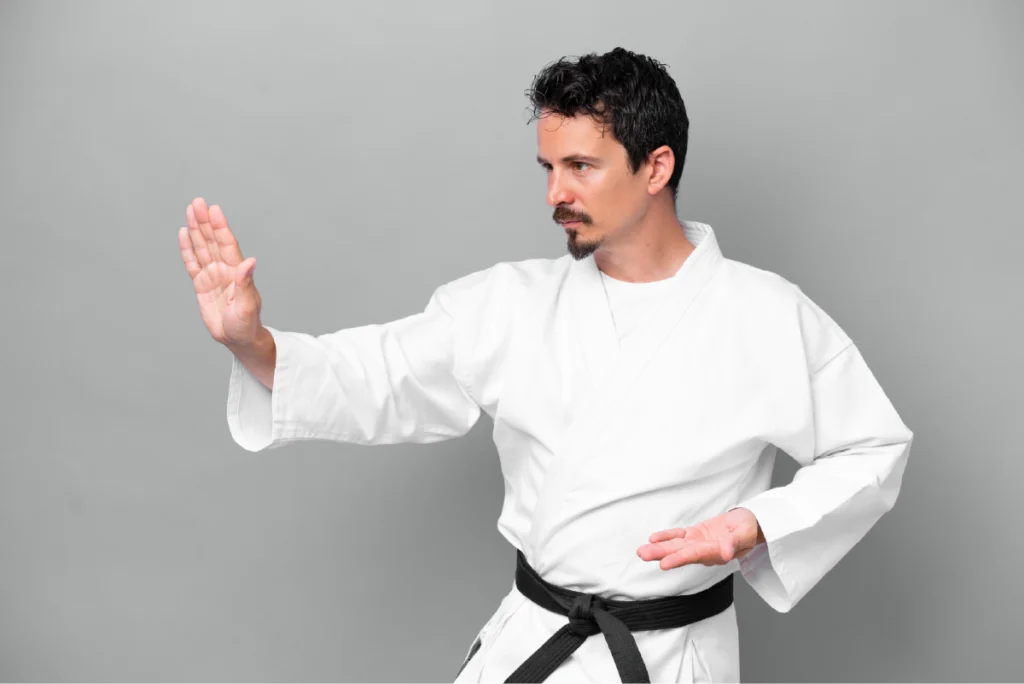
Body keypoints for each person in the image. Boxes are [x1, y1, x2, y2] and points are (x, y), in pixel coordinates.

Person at [177, 47, 914, 684]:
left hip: (671, 660)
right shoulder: (507, 303)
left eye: (582, 167)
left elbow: (873, 447)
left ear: (657, 166)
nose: (555, 194)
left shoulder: (766, 315)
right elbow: (379, 375)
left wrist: (755, 523)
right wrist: (253, 342)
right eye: (548, 167)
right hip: (534, 644)